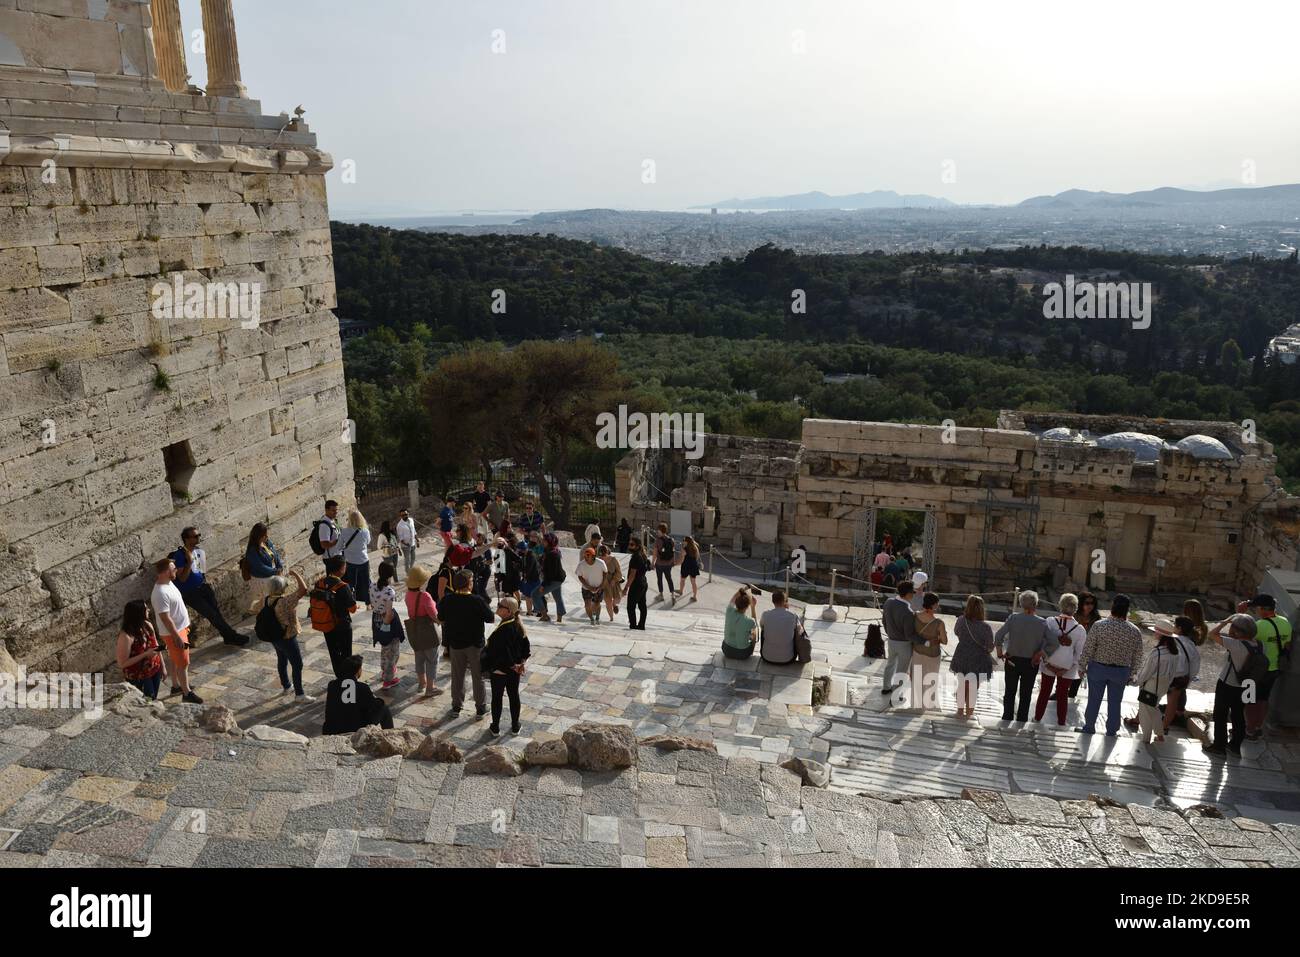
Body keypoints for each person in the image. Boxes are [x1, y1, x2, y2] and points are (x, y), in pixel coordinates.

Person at [1075, 594, 1144, 736]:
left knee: (1094, 700)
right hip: (1121, 672)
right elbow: (1137, 655)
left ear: (1112, 607)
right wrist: (1133, 674)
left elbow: (1088, 648)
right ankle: (1112, 730)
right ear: (1127, 610)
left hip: (1098, 668)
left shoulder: (1099, 626)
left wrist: (1082, 666)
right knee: (1115, 702)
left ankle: (1089, 727)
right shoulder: (1134, 631)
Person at [171, 527, 250, 646]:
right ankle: (232, 636)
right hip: (190, 593)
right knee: (211, 614)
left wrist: (204, 582)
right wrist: (189, 562)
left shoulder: (199, 551)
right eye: (195, 536)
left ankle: (228, 636)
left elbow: (201, 572)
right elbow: (182, 578)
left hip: (203, 587)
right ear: (186, 539)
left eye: (199, 535)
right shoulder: (179, 556)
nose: (198, 538)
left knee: (216, 613)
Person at [1203, 614, 1264, 756]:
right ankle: (1235, 746)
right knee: (1238, 715)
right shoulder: (1259, 645)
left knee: (1220, 715)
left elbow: (1212, 634)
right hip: (1247, 684)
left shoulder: (1236, 645)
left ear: (1237, 630)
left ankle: (1219, 746)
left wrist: (1224, 621)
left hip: (1228, 684)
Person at [437, 570, 493, 719]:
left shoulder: (448, 600)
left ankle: (456, 706)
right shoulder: (477, 600)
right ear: (468, 584)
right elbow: (490, 618)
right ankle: (480, 708)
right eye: (472, 580)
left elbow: (440, 617)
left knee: (457, 676)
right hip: (475, 645)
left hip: (455, 644)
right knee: (477, 676)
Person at [253, 569, 314, 701]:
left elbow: (254, 608)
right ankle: (299, 694)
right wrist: (296, 574)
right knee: (297, 665)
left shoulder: (265, 600)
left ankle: (286, 686)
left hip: (274, 637)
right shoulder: (285, 602)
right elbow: (303, 589)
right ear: (282, 588)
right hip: (287, 637)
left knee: (282, 660)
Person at [150, 557, 202, 703]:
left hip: (181, 629)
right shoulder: (160, 593)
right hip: (174, 632)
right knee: (183, 662)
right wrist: (176, 636)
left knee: (175, 659)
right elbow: (165, 618)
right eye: (173, 569)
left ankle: (176, 686)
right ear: (166, 571)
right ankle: (187, 693)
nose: (177, 570)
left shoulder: (168, 583)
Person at [994, 590, 1051, 723]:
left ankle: (1007, 717)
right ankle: (1021, 719)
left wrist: (999, 652)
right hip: (1031, 662)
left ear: (1020, 604)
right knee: (1026, 693)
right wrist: (1041, 653)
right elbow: (1053, 642)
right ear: (1035, 604)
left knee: (1010, 691)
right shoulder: (1042, 623)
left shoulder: (1013, 618)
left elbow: (998, 635)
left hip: (1012, 659)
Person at [1243, 593, 1293, 739]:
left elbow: (1241, 642)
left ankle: (1249, 729)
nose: (1255, 611)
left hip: (1255, 671)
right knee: (1264, 699)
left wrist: (1240, 614)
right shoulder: (1285, 622)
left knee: (1249, 700)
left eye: (1256, 608)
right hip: (1274, 669)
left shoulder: (1258, 626)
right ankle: (1258, 727)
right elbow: (1288, 646)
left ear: (1264, 608)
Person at [1033, 593, 1086, 727]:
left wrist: (1046, 663)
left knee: (1044, 691)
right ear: (1075, 608)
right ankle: (1061, 722)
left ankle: (1037, 718)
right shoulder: (1080, 629)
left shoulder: (1050, 621)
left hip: (1049, 662)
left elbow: (1042, 643)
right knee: (1063, 695)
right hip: (1067, 666)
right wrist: (1066, 668)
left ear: (1060, 605)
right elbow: (1079, 653)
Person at [484, 596, 531, 735]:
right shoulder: (519, 628)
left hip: (500, 670)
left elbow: (500, 653)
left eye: (501, 605)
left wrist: (512, 665)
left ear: (509, 611)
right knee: (513, 696)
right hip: (513, 671)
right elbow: (526, 649)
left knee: (497, 698)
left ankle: (495, 727)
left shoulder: (503, 630)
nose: (497, 606)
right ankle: (515, 725)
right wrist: (520, 664)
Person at [1132, 618, 1182, 745]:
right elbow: (1172, 674)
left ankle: (1146, 738)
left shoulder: (1157, 652)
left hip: (1152, 684)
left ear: (1161, 635)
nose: (1154, 633)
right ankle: (1159, 735)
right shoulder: (1175, 653)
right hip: (1164, 685)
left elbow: (1146, 672)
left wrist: (1137, 682)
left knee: (1145, 711)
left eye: (1156, 631)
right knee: (1154, 708)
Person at [311, 555, 358, 680]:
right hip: (342, 626)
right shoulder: (343, 586)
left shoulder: (319, 583)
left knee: (334, 652)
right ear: (341, 569)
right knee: (346, 653)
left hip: (327, 624)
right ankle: (348, 679)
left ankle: (339, 676)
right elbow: (352, 609)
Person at [322, 655, 393, 735]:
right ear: (358, 670)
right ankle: (391, 735)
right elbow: (374, 706)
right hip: (355, 729)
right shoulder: (362, 687)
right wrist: (378, 700)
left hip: (332, 730)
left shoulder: (332, 685)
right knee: (384, 708)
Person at [950, 595, 994, 718]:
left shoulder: (961, 620)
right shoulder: (986, 627)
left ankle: (959, 711)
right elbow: (990, 647)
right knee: (973, 687)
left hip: (962, 654)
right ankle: (969, 713)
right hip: (978, 658)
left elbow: (957, 633)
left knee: (962, 684)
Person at [404, 564, 442, 697]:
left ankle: (422, 683)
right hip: (427, 631)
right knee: (432, 660)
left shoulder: (408, 594)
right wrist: (441, 623)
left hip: (414, 631)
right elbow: (434, 615)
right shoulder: (425, 596)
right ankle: (430, 688)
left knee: (419, 658)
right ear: (420, 583)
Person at [116, 599, 165, 700]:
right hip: (139, 676)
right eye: (145, 609)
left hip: (154, 669)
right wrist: (145, 654)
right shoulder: (126, 635)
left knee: (153, 698)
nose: (148, 610)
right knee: (148, 701)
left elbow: (156, 645)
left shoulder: (147, 625)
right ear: (138, 613)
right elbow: (122, 663)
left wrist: (163, 667)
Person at [1162, 615, 1202, 735]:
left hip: (1168, 675)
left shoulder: (1172, 641)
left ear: (1179, 628)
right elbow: (1195, 664)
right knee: (1172, 703)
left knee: (1153, 697)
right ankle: (1165, 726)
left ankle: (1140, 720)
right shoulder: (1191, 644)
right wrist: (1188, 679)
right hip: (1182, 677)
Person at [882, 581, 920, 697]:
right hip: (904, 644)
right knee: (902, 670)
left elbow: (884, 621)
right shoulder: (908, 612)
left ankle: (886, 687)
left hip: (891, 640)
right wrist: (923, 641)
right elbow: (909, 634)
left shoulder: (888, 602)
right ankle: (897, 694)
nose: (913, 596)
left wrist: (889, 633)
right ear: (908, 594)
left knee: (890, 664)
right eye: (912, 593)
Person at [911, 592, 948, 711]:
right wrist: (937, 638)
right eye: (937, 603)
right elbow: (945, 641)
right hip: (933, 655)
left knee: (917, 679)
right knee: (931, 680)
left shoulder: (915, 616)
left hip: (917, 651)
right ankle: (929, 706)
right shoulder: (939, 623)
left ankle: (916, 705)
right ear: (934, 605)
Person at [371, 561, 405, 690]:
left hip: (376, 619)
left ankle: (385, 671)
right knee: (392, 651)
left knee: (384, 649)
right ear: (391, 575)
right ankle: (388, 680)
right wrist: (386, 628)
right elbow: (389, 613)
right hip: (387, 620)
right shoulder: (389, 591)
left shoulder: (372, 586)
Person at [1069, 592, 1102, 699]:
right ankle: (1059, 691)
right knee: (1066, 671)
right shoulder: (1074, 615)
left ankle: (1072, 693)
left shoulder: (1096, 618)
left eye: (1092, 603)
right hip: (1071, 648)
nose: (1090, 606)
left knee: (1079, 672)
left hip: (1086, 651)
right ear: (1081, 603)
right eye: (1087, 603)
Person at [243, 522, 284, 603]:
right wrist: (275, 571)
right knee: (277, 585)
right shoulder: (253, 551)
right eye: (264, 535)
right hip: (262, 576)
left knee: (281, 585)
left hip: (272, 571)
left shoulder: (267, 542)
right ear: (258, 537)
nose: (267, 537)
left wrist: (279, 566)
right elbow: (260, 567)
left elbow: (275, 554)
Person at [759, 590, 803, 665]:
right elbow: (801, 631)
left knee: (764, 630)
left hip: (766, 657)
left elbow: (761, 626)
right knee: (794, 629)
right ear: (785, 601)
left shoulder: (765, 614)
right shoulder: (793, 616)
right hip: (788, 659)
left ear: (773, 601)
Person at [340, 509, 372, 607]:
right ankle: (368, 604)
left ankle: (353, 604)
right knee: (366, 582)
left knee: (351, 583)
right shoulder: (365, 531)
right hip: (363, 560)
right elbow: (368, 542)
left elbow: (340, 545)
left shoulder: (344, 531)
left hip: (350, 561)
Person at [535, 532, 567, 623]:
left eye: (544, 540)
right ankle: (559, 619)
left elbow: (550, 573)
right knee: (558, 597)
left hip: (554, 580)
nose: (542, 541)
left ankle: (545, 615)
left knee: (535, 594)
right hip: (558, 578)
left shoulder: (552, 554)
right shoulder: (550, 551)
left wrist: (543, 585)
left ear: (549, 542)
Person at [722, 587, 759, 659]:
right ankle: (751, 651)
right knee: (754, 632)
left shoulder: (729, 610)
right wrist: (753, 607)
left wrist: (744, 589)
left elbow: (734, 596)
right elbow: (755, 625)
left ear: (736, 602)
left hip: (726, 650)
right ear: (747, 606)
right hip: (742, 654)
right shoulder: (749, 621)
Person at [576, 547, 608, 626]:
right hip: (586, 588)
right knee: (587, 605)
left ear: (593, 556)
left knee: (597, 604)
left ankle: (597, 617)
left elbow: (605, 572)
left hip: (599, 586)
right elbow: (579, 576)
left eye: (588, 555)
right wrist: (588, 586)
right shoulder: (581, 564)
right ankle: (591, 619)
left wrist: (602, 584)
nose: (586, 557)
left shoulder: (600, 563)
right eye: (585, 555)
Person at [623, 538, 650, 630]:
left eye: (632, 545)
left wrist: (626, 587)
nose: (630, 546)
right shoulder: (643, 555)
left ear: (637, 546)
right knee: (642, 605)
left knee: (630, 606)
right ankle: (641, 625)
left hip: (636, 584)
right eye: (629, 544)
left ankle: (633, 626)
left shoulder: (636, 557)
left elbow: (632, 574)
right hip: (643, 583)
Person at [598, 544, 623, 622]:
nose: (603, 554)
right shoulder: (598, 560)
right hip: (604, 583)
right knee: (608, 601)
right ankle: (611, 618)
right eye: (601, 552)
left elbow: (619, 572)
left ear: (607, 551)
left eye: (604, 551)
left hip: (613, 581)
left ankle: (614, 604)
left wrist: (614, 579)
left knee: (618, 599)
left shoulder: (613, 559)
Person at [653, 523, 677, 601]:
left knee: (659, 579)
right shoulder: (671, 540)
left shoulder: (658, 541)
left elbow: (655, 553)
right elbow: (673, 552)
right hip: (668, 563)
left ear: (661, 531)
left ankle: (661, 595)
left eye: (658, 530)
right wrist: (673, 561)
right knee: (669, 578)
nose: (657, 532)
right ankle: (673, 594)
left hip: (659, 564)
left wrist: (652, 563)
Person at [315, 499, 341, 572]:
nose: (336, 512)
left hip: (337, 557)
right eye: (333, 510)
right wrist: (338, 541)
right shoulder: (324, 525)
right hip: (331, 559)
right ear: (326, 510)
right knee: (334, 582)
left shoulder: (333, 521)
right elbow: (324, 544)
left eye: (336, 510)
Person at [518, 539, 542, 615]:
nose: (519, 551)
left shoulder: (530, 556)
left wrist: (525, 578)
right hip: (529, 579)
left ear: (523, 549)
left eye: (520, 550)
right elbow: (523, 567)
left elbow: (529, 569)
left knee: (533, 596)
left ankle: (540, 612)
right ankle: (529, 612)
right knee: (528, 596)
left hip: (533, 579)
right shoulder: (525, 556)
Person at [393, 508, 419, 575]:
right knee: (407, 560)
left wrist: (417, 539)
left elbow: (414, 530)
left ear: (408, 514)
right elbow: (400, 538)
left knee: (413, 558)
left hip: (413, 543)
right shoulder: (399, 525)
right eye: (403, 515)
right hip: (406, 546)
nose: (405, 516)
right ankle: (408, 573)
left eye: (406, 514)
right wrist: (407, 544)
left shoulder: (411, 520)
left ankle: (411, 569)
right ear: (400, 516)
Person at [680, 537, 702, 601]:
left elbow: (682, 558)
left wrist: (676, 563)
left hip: (685, 566)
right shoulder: (695, 548)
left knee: (682, 580)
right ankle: (694, 597)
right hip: (693, 566)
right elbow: (697, 557)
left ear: (687, 542)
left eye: (684, 541)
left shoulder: (684, 549)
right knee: (693, 582)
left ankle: (681, 591)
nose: (683, 542)